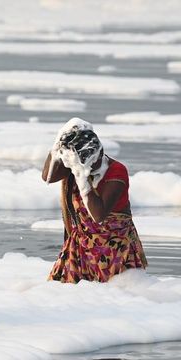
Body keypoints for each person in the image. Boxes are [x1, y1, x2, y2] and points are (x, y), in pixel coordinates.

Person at [41, 118, 147, 283]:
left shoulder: (116, 171)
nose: (96, 164)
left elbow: (99, 214)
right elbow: (48, 176)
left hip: (114, 250)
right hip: (79, 247)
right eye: (90, 163)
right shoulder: (74, 166)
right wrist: (57, 147)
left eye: (97, 158)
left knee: (112, 295)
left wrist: (81, 177)